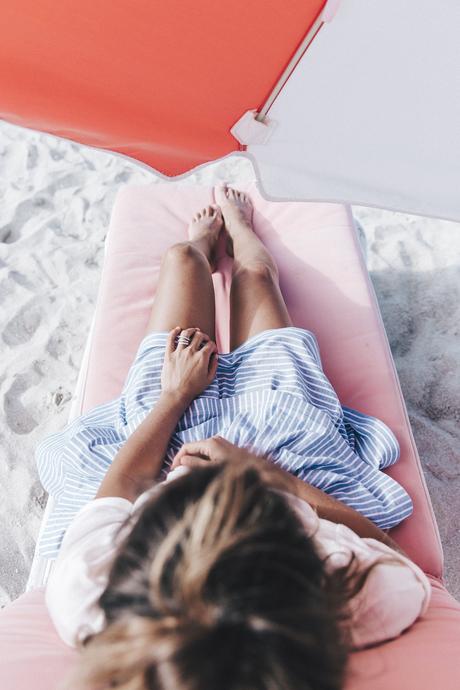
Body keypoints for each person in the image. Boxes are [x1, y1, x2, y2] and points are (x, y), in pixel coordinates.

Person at [38, 186, 431, 690]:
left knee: (182, 258)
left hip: (165, 432)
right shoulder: (346, 607)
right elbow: (397, 561)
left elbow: (131, 478)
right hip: (285, 444)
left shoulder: (90, 598)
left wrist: (175, 394)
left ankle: (204, 244)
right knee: (257, 276)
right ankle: (240, 233)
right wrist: (262, 474)